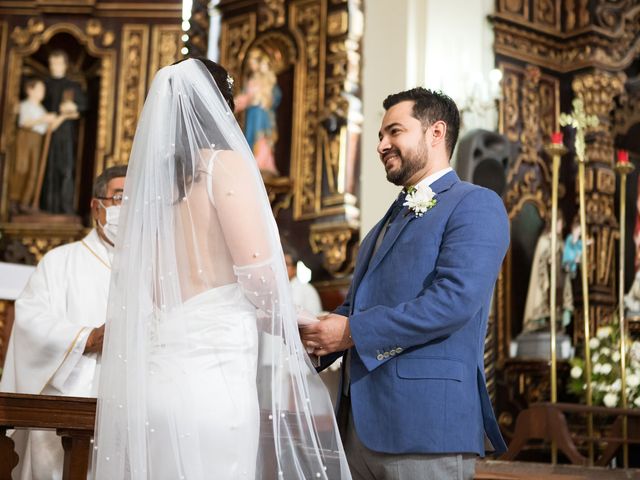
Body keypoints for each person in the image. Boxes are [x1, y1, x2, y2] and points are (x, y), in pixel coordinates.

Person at [91, 58, 350, 480]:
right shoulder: (223, 166)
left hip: (154, 388)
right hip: (210, 388)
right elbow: (260, 278)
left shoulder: (150, 188)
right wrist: (300, 321)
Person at [300, 87, 509, 479]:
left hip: (426, 427)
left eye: (394, 132)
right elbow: (358, 308)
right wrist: (313, 333)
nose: (381, 144)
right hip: (358, 428)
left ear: (436, 132)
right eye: (381, 135)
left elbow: (453, 301)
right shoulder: (384, 224)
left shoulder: (474, 204)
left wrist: (348, 333)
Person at [0, 165, 126, 480]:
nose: (126, 208)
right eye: (119, 197)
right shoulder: (61, 262)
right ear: (96, 205)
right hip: (68, 403)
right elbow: (31, 321)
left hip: (127, 402)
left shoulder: (154, 267)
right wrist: (86, 338)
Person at [40, 49, 87, 214]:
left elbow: (83, 106)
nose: (55, 67)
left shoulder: (72, 86)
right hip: (44, 133)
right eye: (52, 63)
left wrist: (72, 108)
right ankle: (47, 208)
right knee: (47, 170)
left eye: (58, 63)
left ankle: (65, 209)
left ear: (65, 65)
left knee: (65, 169)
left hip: (65, 134)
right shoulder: (44, 85)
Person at [10, 78, 58, 212]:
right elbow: (25, 123)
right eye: (39, 89)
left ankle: (26, 202)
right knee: (22, 167)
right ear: (30, 90)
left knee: (33, 170)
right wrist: (43, 119)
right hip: (26, 136)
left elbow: (48, 126)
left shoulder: (41, 108)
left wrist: (59, 118)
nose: (42, 92)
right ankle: (14, 199)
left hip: (37, 139)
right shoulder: (25, 105)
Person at [235, 49, 281, 176]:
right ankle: (253, 164)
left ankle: (263, 163)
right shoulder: (252, 80)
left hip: (263, 114)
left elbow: (275, 96)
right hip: (253, 114)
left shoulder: (267, 79)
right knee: (251, 136)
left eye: (253, 63)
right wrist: (235, 104)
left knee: (262, 138)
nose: (251, 66)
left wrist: (263, 98)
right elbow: (246, 97)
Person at [522, 216, 572, 333]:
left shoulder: (560, 242)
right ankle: (541, 320)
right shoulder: (544, 240)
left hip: (558, 279)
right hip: (546, 279)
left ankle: (555, 321)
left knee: (557, 301)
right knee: (545, 298)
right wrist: (549, 258)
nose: (561, 226)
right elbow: (541, 260)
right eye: (559, 223)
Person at [284, 244, 323, 315]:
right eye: (281, 264)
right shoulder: (284, 287)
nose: (283, 268)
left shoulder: (302, 288)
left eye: (286, 264)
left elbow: (292, 314)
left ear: (295, 268)